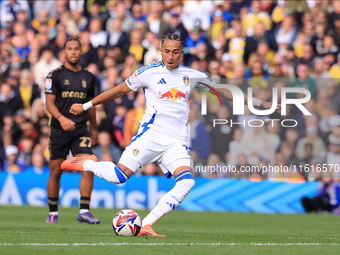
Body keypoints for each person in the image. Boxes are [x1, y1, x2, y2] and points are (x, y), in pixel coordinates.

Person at [61, 33, 280, 236]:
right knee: (118, 177)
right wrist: (86, 105)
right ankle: (88, 163)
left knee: (187, 183)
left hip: (176, 141)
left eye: (175, 51)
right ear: (161, 50)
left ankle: (146, 224)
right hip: (151, 135)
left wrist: (263, 104)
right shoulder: (148, 73)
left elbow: (226, 92)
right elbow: (118, 90)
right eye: (167, 51)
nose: (171, 55)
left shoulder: (193, 76)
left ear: (182, 52)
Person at [45, 37, 99, 224]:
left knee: (89, 166)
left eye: (77, 49)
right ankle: (53, 213)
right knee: (55, 171)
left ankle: (84, 210)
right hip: (59, 129)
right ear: (64, 52)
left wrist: (95, 128)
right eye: (70, 49)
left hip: (81, 128)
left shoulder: (89, 77)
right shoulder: (54, 75)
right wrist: (61, 118)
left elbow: (91, 106)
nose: (73, 52)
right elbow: (49, 103)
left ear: (81, 51)